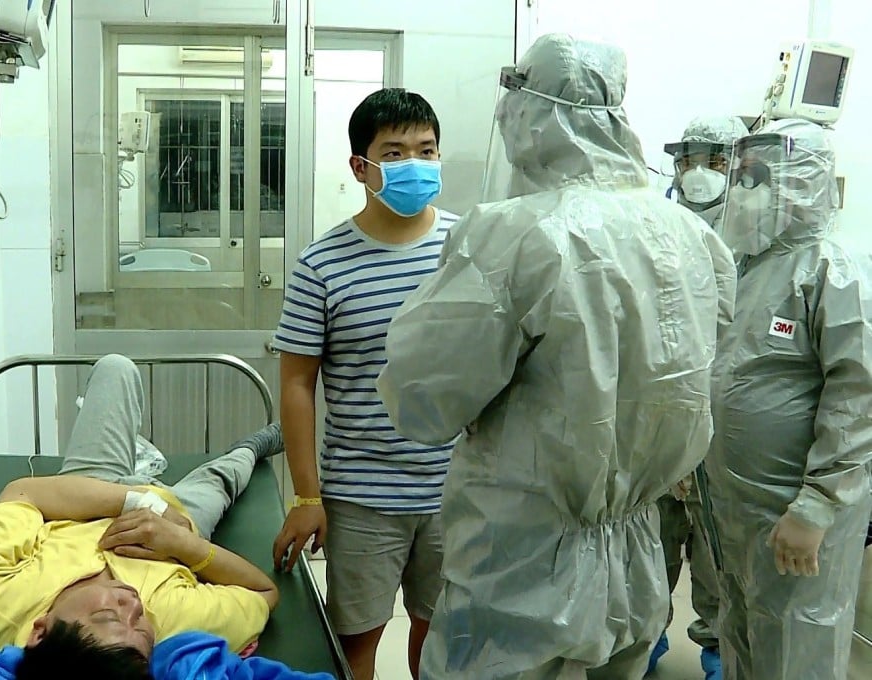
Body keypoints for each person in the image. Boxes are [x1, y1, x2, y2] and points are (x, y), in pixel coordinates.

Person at [375, 33, 737, 679]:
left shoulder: (517, 234)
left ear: (534, 113)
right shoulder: (691, 236)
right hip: (634, 554)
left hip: (518, 563)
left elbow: (421, 398)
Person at [270, 88, 457, 680]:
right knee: (353, 649)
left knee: (444, 643)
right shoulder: (321, 264)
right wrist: (306, 496)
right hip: (362, 496)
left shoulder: (470, 247)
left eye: (426, 152)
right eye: (396, 154)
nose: (416, 166)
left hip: (460, 490)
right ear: (361, 167)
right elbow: (298, 384)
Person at [0, 354, 285, 675]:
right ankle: (249, 448)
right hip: (179, 524)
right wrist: (184, 543)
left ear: (40, 632)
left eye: (109, 614)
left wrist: (141, 504)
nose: (133, 604)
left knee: (115, 368)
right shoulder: (170, 616)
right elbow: (263, 593)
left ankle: (140, 465)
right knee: (219, 481)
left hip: (84, 498)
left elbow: (22, 493)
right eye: (143, 628)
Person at [703, 118, 872, 679]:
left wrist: (818, 504)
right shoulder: (748, 267)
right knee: (746, 638)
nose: (743, 193)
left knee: (797, 647)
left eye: (758, 178)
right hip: (738, 510)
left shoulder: (835, 270)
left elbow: (859, 398)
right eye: (743, 176)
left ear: (801, 183)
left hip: (797, 514)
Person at [648, 114, 749, 679]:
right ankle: (644, 640)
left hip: (725, 438)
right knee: (650, 550)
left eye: (714, 161)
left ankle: (717, 652)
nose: (699, 173)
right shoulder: (657, 229)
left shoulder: (755, 239)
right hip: (661, 424)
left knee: (715, 560)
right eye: (688, 160)